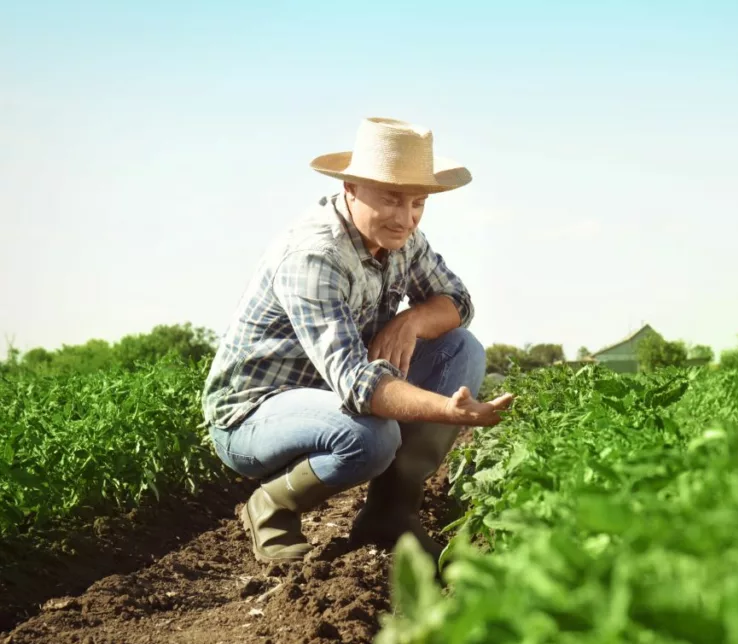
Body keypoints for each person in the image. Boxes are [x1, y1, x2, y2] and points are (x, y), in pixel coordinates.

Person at [201, 117, 514, 566]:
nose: (406, 218)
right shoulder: (314, 256)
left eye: (418, 203)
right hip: (255, 414)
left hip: (328, 393)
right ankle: (272, 506)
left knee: (460, 348)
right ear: (350, 188)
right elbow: (357, 385)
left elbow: (458, 301)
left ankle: (389, 512)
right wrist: (448, 412)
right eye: (391, 199)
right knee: (369, 437)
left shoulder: (403, 238)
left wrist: (412, 320)